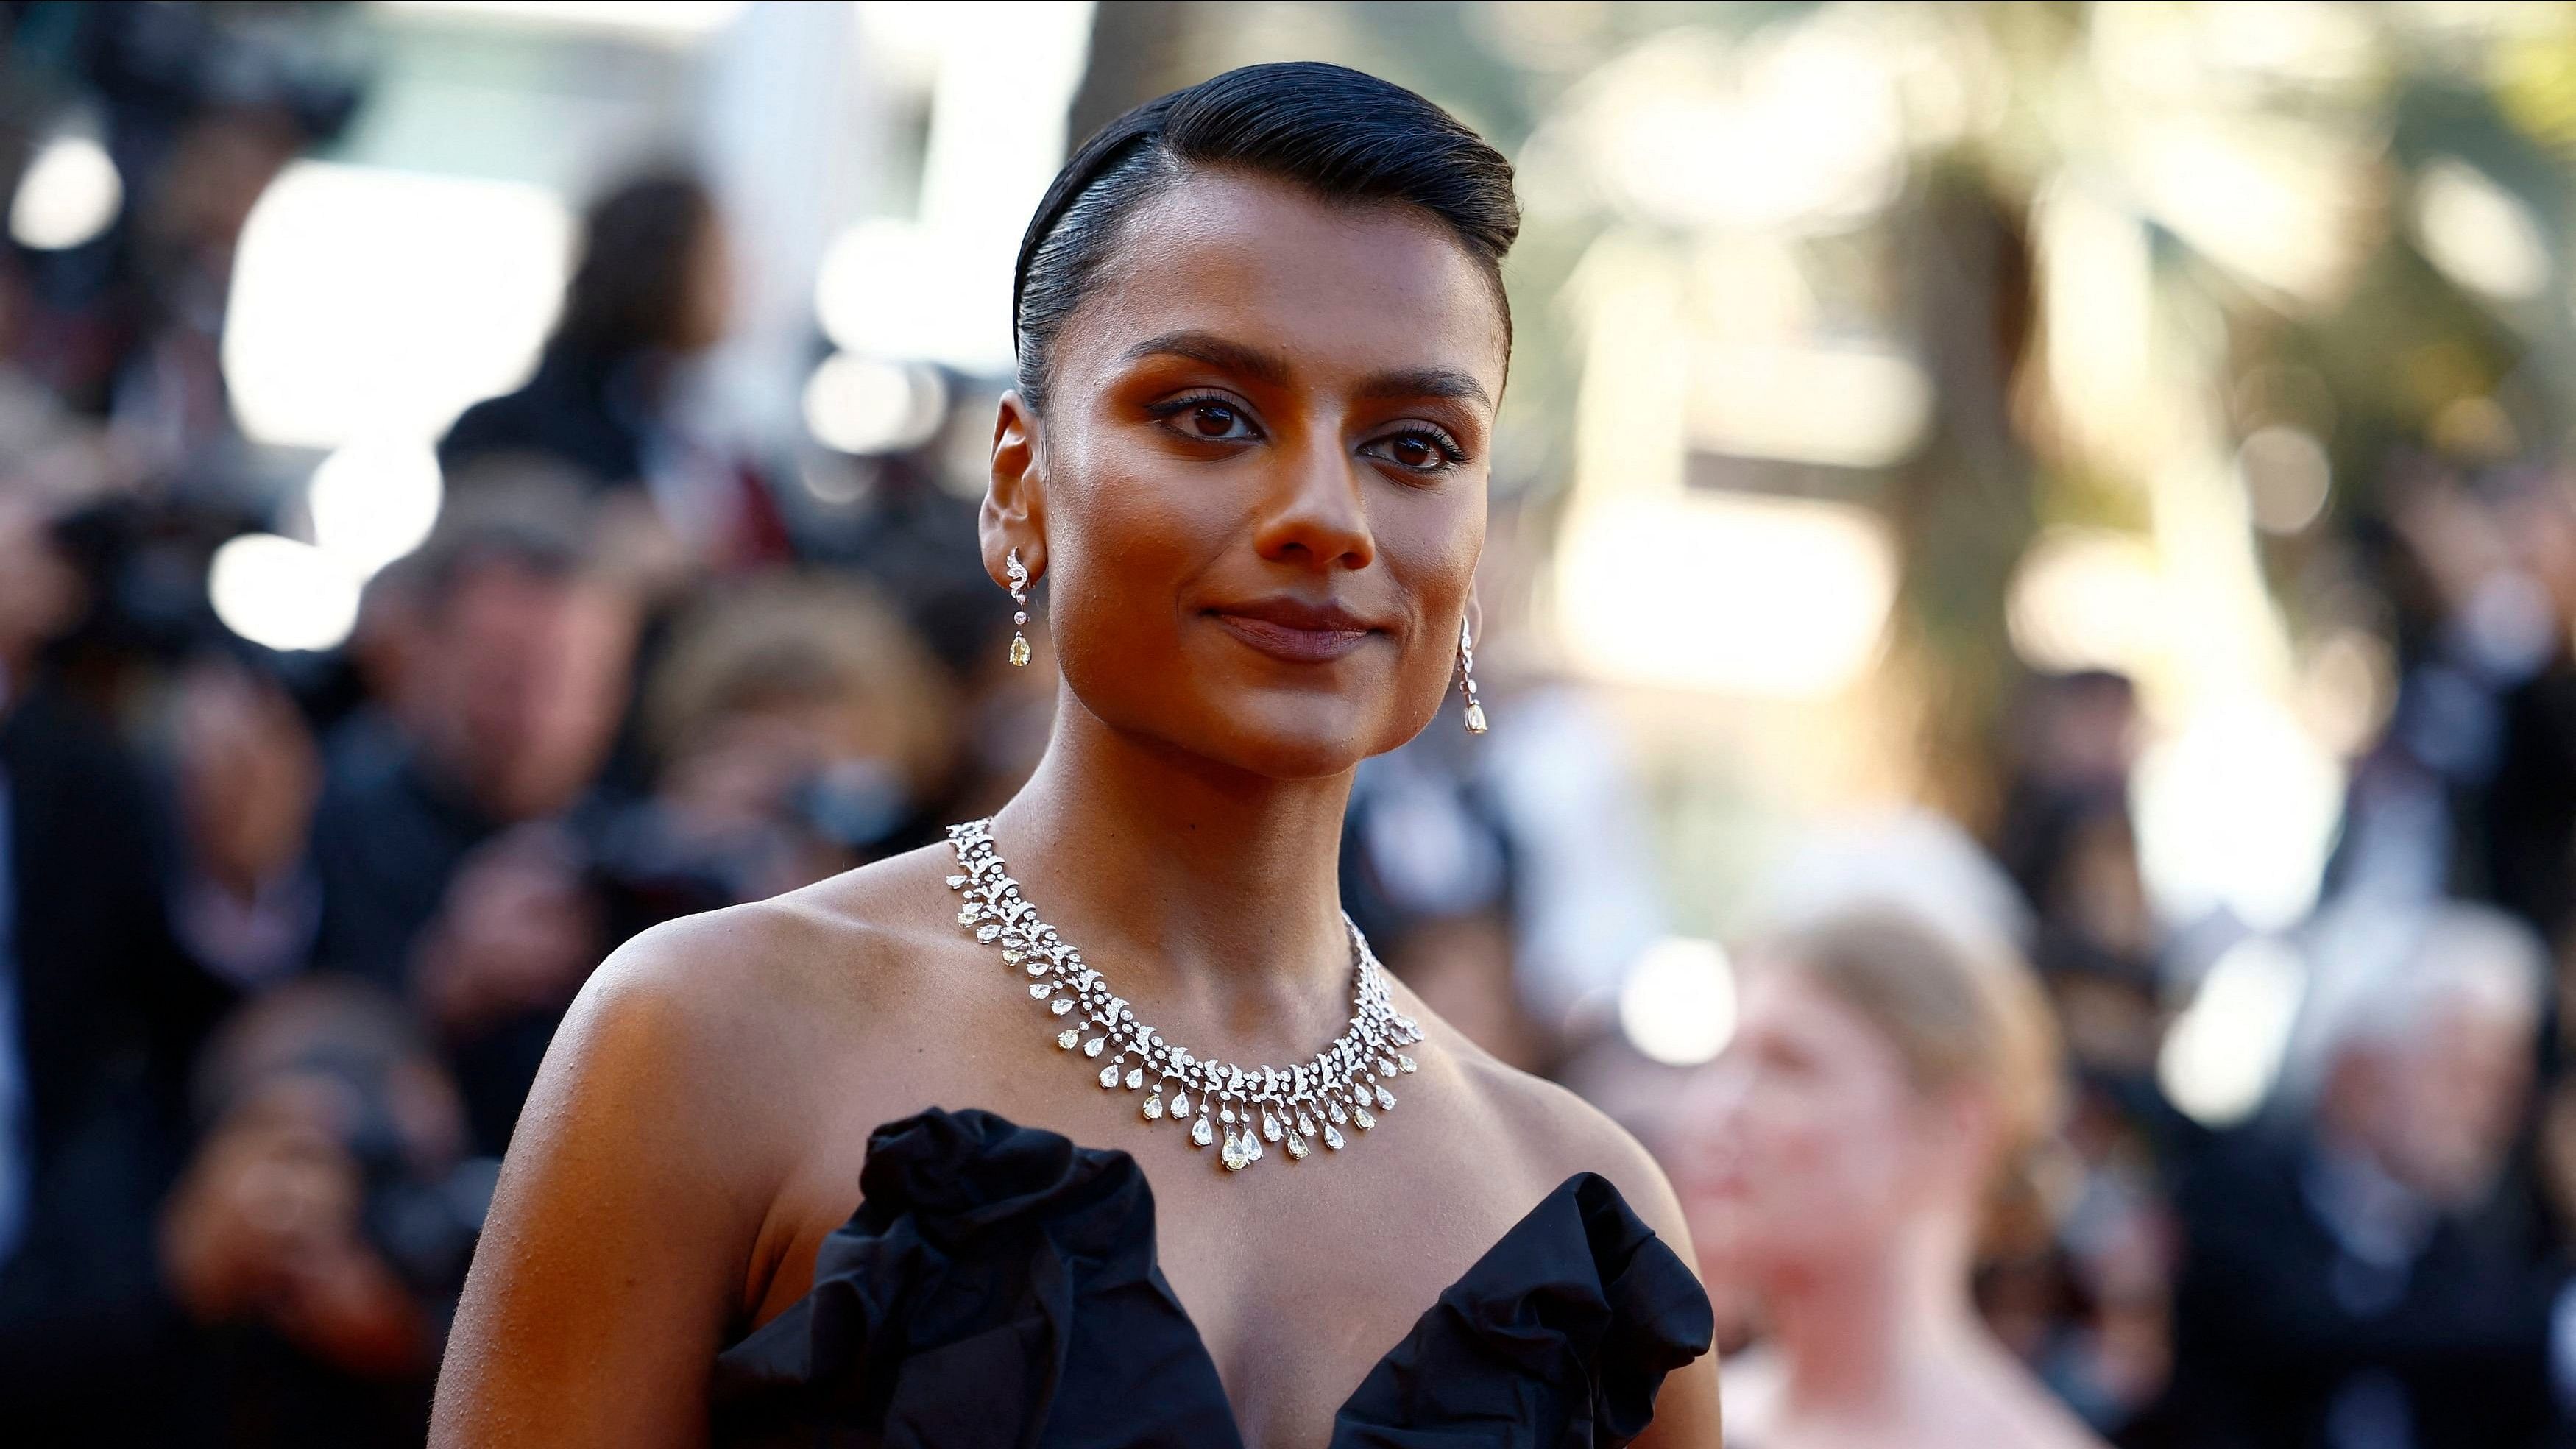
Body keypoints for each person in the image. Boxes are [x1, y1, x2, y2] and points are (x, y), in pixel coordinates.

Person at [431, 63, 1720, 1448]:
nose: (1327, 517)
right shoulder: (709, 1032)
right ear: (1017, 486)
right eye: (1212, 415)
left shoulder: (1588, 1213)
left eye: (1415, 444)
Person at [1674, 907, 2102, 1449]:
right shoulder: (1664, 1426)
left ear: (1957, 1125)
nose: (1714, 1109)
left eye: (1788, 1065)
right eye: (1723, 1060)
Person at [2162, 902, 2560, 1449]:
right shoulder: (2229, 1209)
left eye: (2504, 1083)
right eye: (2461, 1074)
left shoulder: (2490, 1264)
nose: (2491, 1112)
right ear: (2357, 1074)